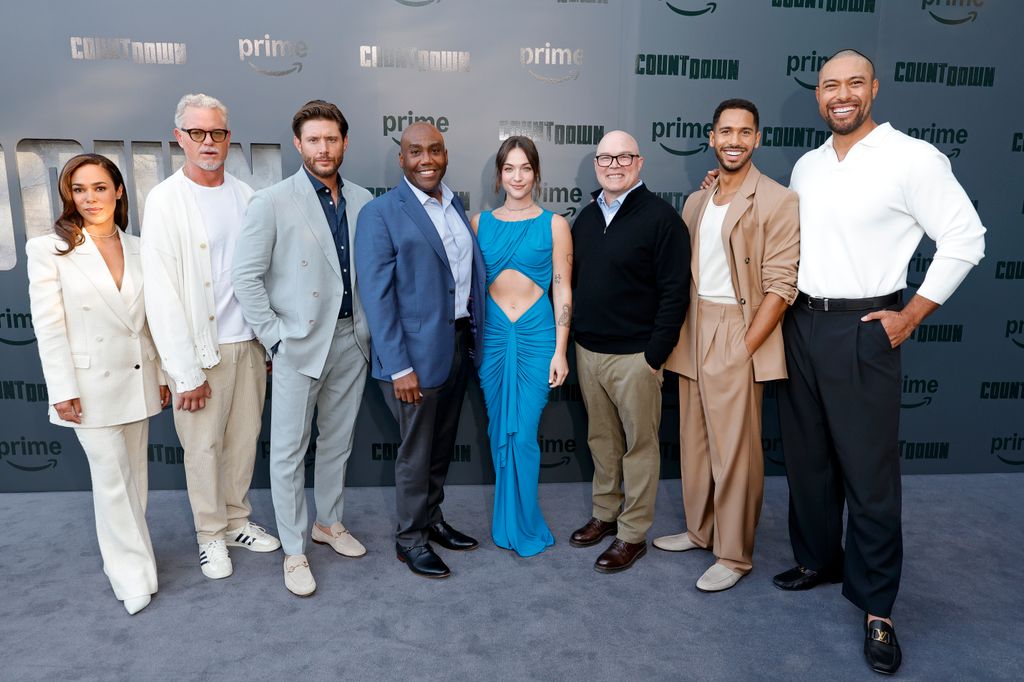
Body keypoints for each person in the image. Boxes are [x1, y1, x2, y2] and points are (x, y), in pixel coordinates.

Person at [774, 50, 985, 674]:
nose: (841, 95)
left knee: (868, 475)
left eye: (853, 84)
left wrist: (911, 314)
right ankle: (819, 560)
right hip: (800, 322)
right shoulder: (807, 164)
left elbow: (966, 236)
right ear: (818, 95)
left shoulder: (913, 157)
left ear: (874, 89)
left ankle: (877, 608)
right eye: (829, 85)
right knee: (809, 460)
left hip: (866, 327)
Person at [655, 99, 799, 592]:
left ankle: (734, 554)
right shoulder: (698, 200)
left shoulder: (779, 199)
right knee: (694, 441)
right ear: (711, 138)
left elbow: (783, 285)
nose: (734, 140)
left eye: (744, 132)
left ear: (756, 139)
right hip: (693, 326)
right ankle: (700, 531)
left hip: (738, 329)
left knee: (735, 450)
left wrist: (746, 346)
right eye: (725, 131)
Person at [233, 100, 373, 597]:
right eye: (313, 140)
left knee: (338, 441)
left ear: (344, 142)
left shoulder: (362, 199)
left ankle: (328, 523)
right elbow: (245, 277)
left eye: (331, 139)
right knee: (290, 451)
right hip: (297, 344)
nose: (323, 148)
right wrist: (275, 337)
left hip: (351, 341)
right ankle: (294, 549)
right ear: (298, 144)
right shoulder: (271, 201)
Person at [142, 93, 280, 582]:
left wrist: (266, 339)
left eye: (216, 133)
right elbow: (159, 293)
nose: (208, 142)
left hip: (248, 344)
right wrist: (184, 371)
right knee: (202, 449)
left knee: (243, 441)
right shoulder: (164, 199)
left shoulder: (247, 196)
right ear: (179, 137)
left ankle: (236, 521)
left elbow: (263, 275)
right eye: (196, 133)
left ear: (228, 136)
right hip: (200, 351)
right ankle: (209, 535)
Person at [27, 154, 171, 614]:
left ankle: (132, 561)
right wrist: (61, 388)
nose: (90, 198)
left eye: (100, 187)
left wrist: (165, 374)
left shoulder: (141, 246)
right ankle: (132, 574)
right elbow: (49, 326)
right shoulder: (47, 249)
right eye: (80, 189)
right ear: (69, 196)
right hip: (88, 386)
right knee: (111, 481)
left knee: (135, 480)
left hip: (138, 375)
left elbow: (154, 322)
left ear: (119, 191)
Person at [355, 122, 485, 579]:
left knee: (441, 445)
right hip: (411, 356)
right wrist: (398, 366)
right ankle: (410, 540)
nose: (426, 159)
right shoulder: (380, 213)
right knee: (416, 451)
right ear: (401, 159)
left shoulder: (454, 204)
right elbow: (377, 297)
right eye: (416, 152)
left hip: (455, 345)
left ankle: (432, 520)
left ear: (446, 154)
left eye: (434, 150)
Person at [568, 130, 689, 573]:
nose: (614, 165)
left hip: (636, 357)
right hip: (589, 351)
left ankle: (632, 534)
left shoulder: (661, 219)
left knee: (639, 447)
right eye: (605, 157)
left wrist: (654, 354)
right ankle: (604, 513)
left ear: (639, 163)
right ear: (596, 164)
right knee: (602, 441)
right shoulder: (584, 218)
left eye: (624, 157)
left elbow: (676, 292)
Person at [470, 136, 572, 557]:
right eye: (509, 168)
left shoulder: (555, 225)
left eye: (525, 168)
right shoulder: (479, 223)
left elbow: (563, 290)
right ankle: (505, 519)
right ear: (499, 175)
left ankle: (525, 520)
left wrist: (561, 350)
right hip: (493, 337)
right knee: (498, 431)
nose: (517, 176)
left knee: (525, 434)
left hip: (536, 335)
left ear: (536, 173)